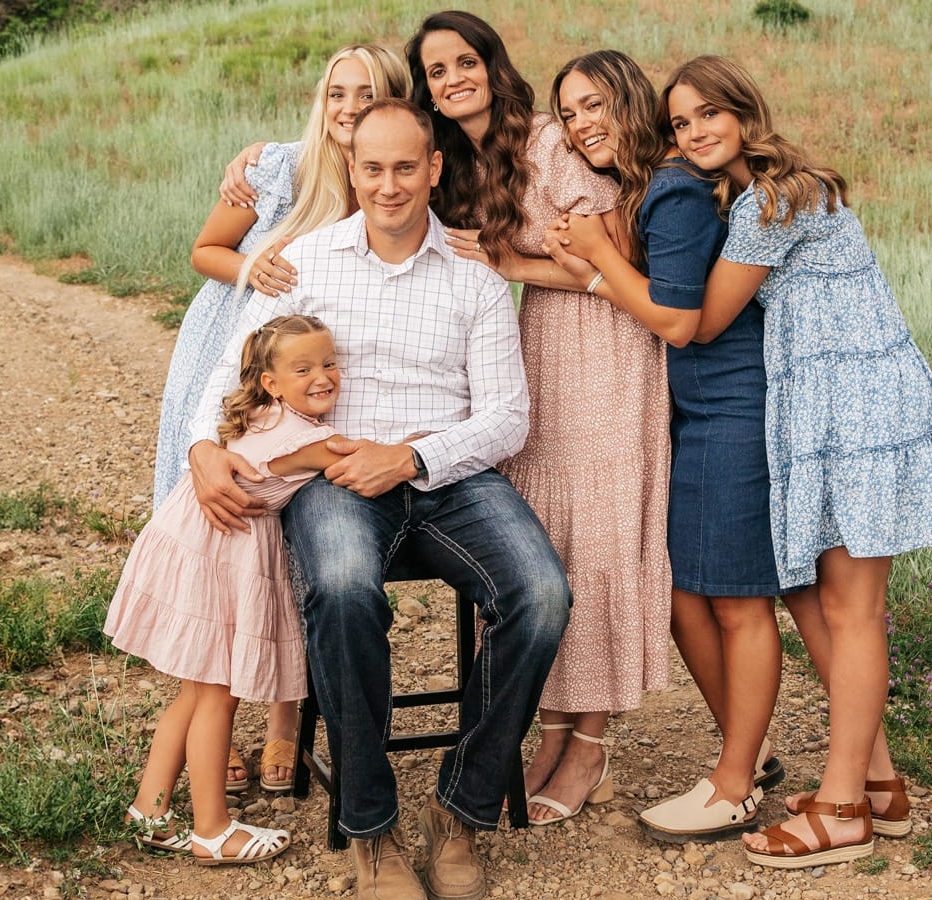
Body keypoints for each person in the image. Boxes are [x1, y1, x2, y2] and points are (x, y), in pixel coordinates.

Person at [186, 99, 570, 900]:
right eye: (372, 169)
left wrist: (413, 456)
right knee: (342, 588)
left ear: (433, 169)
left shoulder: (474, 272)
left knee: (540, 594)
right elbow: (232, 368)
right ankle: (370, 829)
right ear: (351, 171)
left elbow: (508, 417)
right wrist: (200, 449)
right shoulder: (310, 260)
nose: (388, 186)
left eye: (405, 168)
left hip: (449, 475)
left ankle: (462, 809)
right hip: (335, 481)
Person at [662, 55, 932, 868]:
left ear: (742, 111)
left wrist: (591, 260)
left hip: (856, 406)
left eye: (706, 115)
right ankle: (878, 787)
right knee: (808, 594)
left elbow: (699, 322)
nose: (693, 132)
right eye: (679, 123)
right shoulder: (763, 195)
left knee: (850, 608)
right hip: (823, 404)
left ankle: (842, 811)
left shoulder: (775, 199)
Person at [407, 12, 670, 827]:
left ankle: (588, 746)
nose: (454, 79)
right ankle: (554, 730)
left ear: (491, 63)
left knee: (594, 535)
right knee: (550, 535)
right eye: (436, 70)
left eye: (465, 61)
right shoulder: (459, 161)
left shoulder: (551, 140)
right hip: (541, 346)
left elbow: (607, 251)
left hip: (605, 343)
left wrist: (512, 263)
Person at [544, 50, 794, 842]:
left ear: (627, 101)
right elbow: (633, 288)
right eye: (568, 112)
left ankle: (733, 783)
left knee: (734, 601)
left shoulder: (675, 193)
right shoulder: (648, 189)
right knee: (686, 596)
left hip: (730, 407)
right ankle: (744, 757)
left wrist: (599, 257)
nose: (581, 124)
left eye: (593, 106)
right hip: (692, 410)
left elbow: (678, 320)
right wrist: (578, 262)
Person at [154, 43, 409, 794]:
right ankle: (210, 716)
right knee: (223, 534)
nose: (350, 107)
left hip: (320, 380)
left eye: (368, 93)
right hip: (237, 352)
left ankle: (287, 721)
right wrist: (253, 264)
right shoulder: (278, 166)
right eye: (337, 93)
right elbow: (206, 249)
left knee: (288, 547)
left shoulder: (390, 173)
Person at [107, 314, 347, 864]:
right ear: (271, 382)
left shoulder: (264, 413)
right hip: (218, 556)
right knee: (218, 694)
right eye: (304, 368)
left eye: (330, 363)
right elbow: (357, 457)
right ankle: (212, 828)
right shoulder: (308, 439)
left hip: (198, 545)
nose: (323, 377)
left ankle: (149, 808)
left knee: (196, 692)